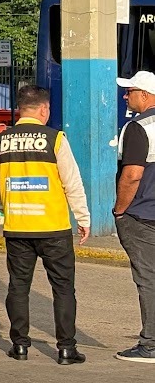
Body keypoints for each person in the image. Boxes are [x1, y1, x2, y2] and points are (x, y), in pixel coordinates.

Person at [0, 84, 88, 364]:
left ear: (20, 110)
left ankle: (19, 346)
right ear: (44, 109)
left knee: (18, 286)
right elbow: (72, 182)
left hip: (17, 227)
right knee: (63, 288)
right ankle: (66, 349)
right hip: (53, 228)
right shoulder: (55, 139)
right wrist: (83, 218)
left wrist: (9, 207)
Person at [113, 70, 155, 362]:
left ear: (146, 95)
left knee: (148, 279)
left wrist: (119, 210)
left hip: (143, 215)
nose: (125, 96)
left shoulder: (138, 127)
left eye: (130, 91)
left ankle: (150, 345)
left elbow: (132, 175)